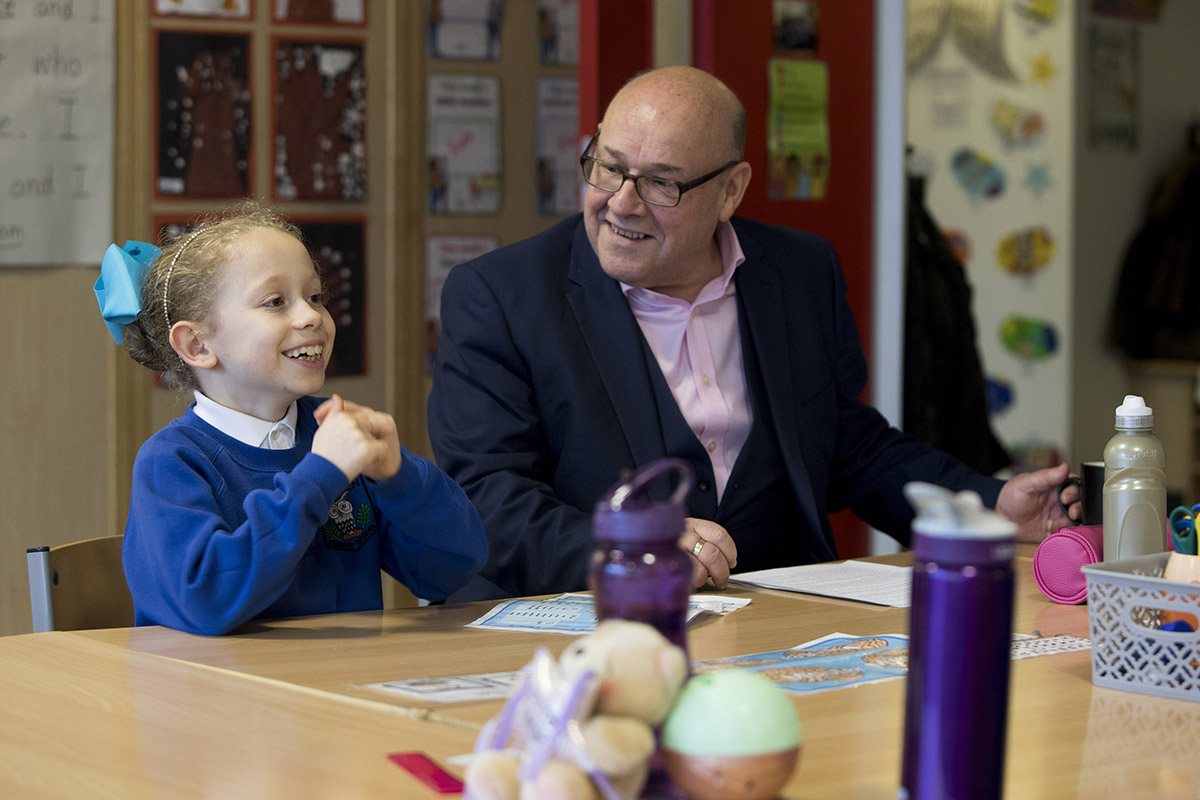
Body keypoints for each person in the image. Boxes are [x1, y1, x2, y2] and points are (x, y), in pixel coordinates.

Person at [427, 66, 1078, 602]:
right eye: (607, 166)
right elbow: (489, 497)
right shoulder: (500, 295)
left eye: (660, 183)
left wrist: (987, 507)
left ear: (730, 190)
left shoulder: (798, 270)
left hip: (775, 618)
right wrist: (630, 554)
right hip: (578, 631)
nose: (621, 202)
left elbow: (843, 442)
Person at [96, 201, 487, 634]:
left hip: (339, 687)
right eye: (275, 301)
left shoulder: (331, 436)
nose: (311, 316)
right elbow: (206, 600)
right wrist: (318, 478)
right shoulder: (171, 462)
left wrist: (401, 477)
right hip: (217, 695)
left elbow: (452, 569)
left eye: (315, 296)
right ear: (198, 345)